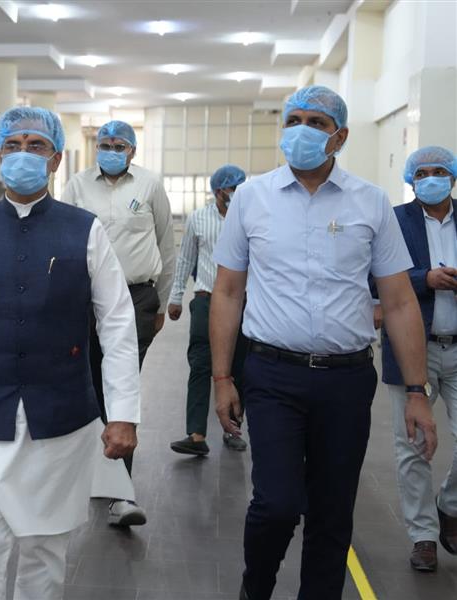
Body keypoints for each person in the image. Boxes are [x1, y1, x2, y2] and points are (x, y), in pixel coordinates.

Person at [210, 85, 437, 600]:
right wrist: (222, 378)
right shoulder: (251, 198)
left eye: (317, 122)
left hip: (346, 380)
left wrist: (417, 391)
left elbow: (399, 302)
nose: (303, 131)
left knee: (332, 513)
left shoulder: (370, 202)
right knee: (276, 504)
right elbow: (227, 291)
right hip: (272, 374)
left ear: (340, 136)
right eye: (294, 120)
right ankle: (255, 588)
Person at [0, 107, 140, 600]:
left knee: (44, 544)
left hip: (59, 417)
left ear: (56, 158)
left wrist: (123, 414)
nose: (24, 154)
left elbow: (118, 325)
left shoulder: (85, 229)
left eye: (36, 145)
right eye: (13, 145)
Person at [63, 119, 175, 526]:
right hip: (85, 299)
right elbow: (63, 241)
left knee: (122, 386)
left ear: (132, 150)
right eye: (105, 144)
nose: (111, 150)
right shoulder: (77, 185)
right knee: (90, 385)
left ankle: (119, 494)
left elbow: (166, 245)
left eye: (119, 145)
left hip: (136, 297)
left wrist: (161, 305)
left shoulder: (149, 185)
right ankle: (89, 475)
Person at [378, 146, 457, 572]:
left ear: (453, 177)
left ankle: (450, 504)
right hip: (413, 348)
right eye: (422, 173)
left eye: (439, 171)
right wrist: (425, 278)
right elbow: (376, 277)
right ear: (410, 179)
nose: (430, 179)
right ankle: (423, 535)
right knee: (414, 445)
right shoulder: (394, 220)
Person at [168, 164, 249, 456]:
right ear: (218, 191)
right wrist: (176, 296)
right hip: (206, 299)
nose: (238, 193)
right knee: (201, 364)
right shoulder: (198, 219)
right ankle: (196, 434)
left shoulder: (250, 218)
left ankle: (232, 430)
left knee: (238, 366)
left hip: (242, 301)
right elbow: (185, 259)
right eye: (233, 188)